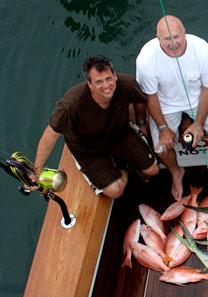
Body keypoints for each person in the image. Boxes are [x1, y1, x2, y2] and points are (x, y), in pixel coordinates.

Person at [136, 15, 208, 201]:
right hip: (165, 105)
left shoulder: (201, 50)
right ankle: (176, 171)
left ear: (185, 33)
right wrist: (163, 128)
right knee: (160, 148)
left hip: (199, 98)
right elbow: (150, 96)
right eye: (167, 39)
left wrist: (199, 124)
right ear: (158, 39)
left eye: (177, 36)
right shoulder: (145, 59)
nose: (173, 43)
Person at [32, 55, 159, 199]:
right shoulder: (71, 105)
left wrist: (142, 123)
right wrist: (36, 171)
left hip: (120, 134)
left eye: (108, 78)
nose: (106, 85)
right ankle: (122, 169)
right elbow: (51, 135)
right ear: (89, 84)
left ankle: (119, 166)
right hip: (89, 150)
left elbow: (139, 101)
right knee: (115, 191)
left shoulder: (127, 84)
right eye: (99, 82)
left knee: (153, 170)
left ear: (115, 76)